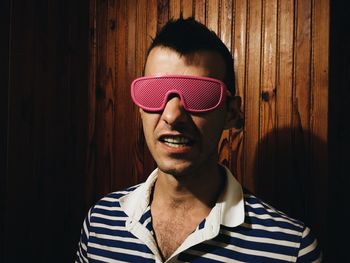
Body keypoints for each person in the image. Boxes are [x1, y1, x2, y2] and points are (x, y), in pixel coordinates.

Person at [76, 17, 321, 262]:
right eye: (153, 93)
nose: (172, 116)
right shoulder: (99, 225)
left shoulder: (291, 249)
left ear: (231, 113)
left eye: (199, 95)